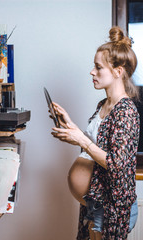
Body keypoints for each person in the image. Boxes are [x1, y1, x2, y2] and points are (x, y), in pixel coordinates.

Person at [51, 26, 140, 240]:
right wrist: (71, 127)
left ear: (118, 71)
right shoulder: (104, 103)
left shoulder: (126, 111)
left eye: (98, 67)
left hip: (111, 207)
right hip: (95, 202)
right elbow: (96, 144)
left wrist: (80, 138)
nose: (92, 71)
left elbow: (116, 164)